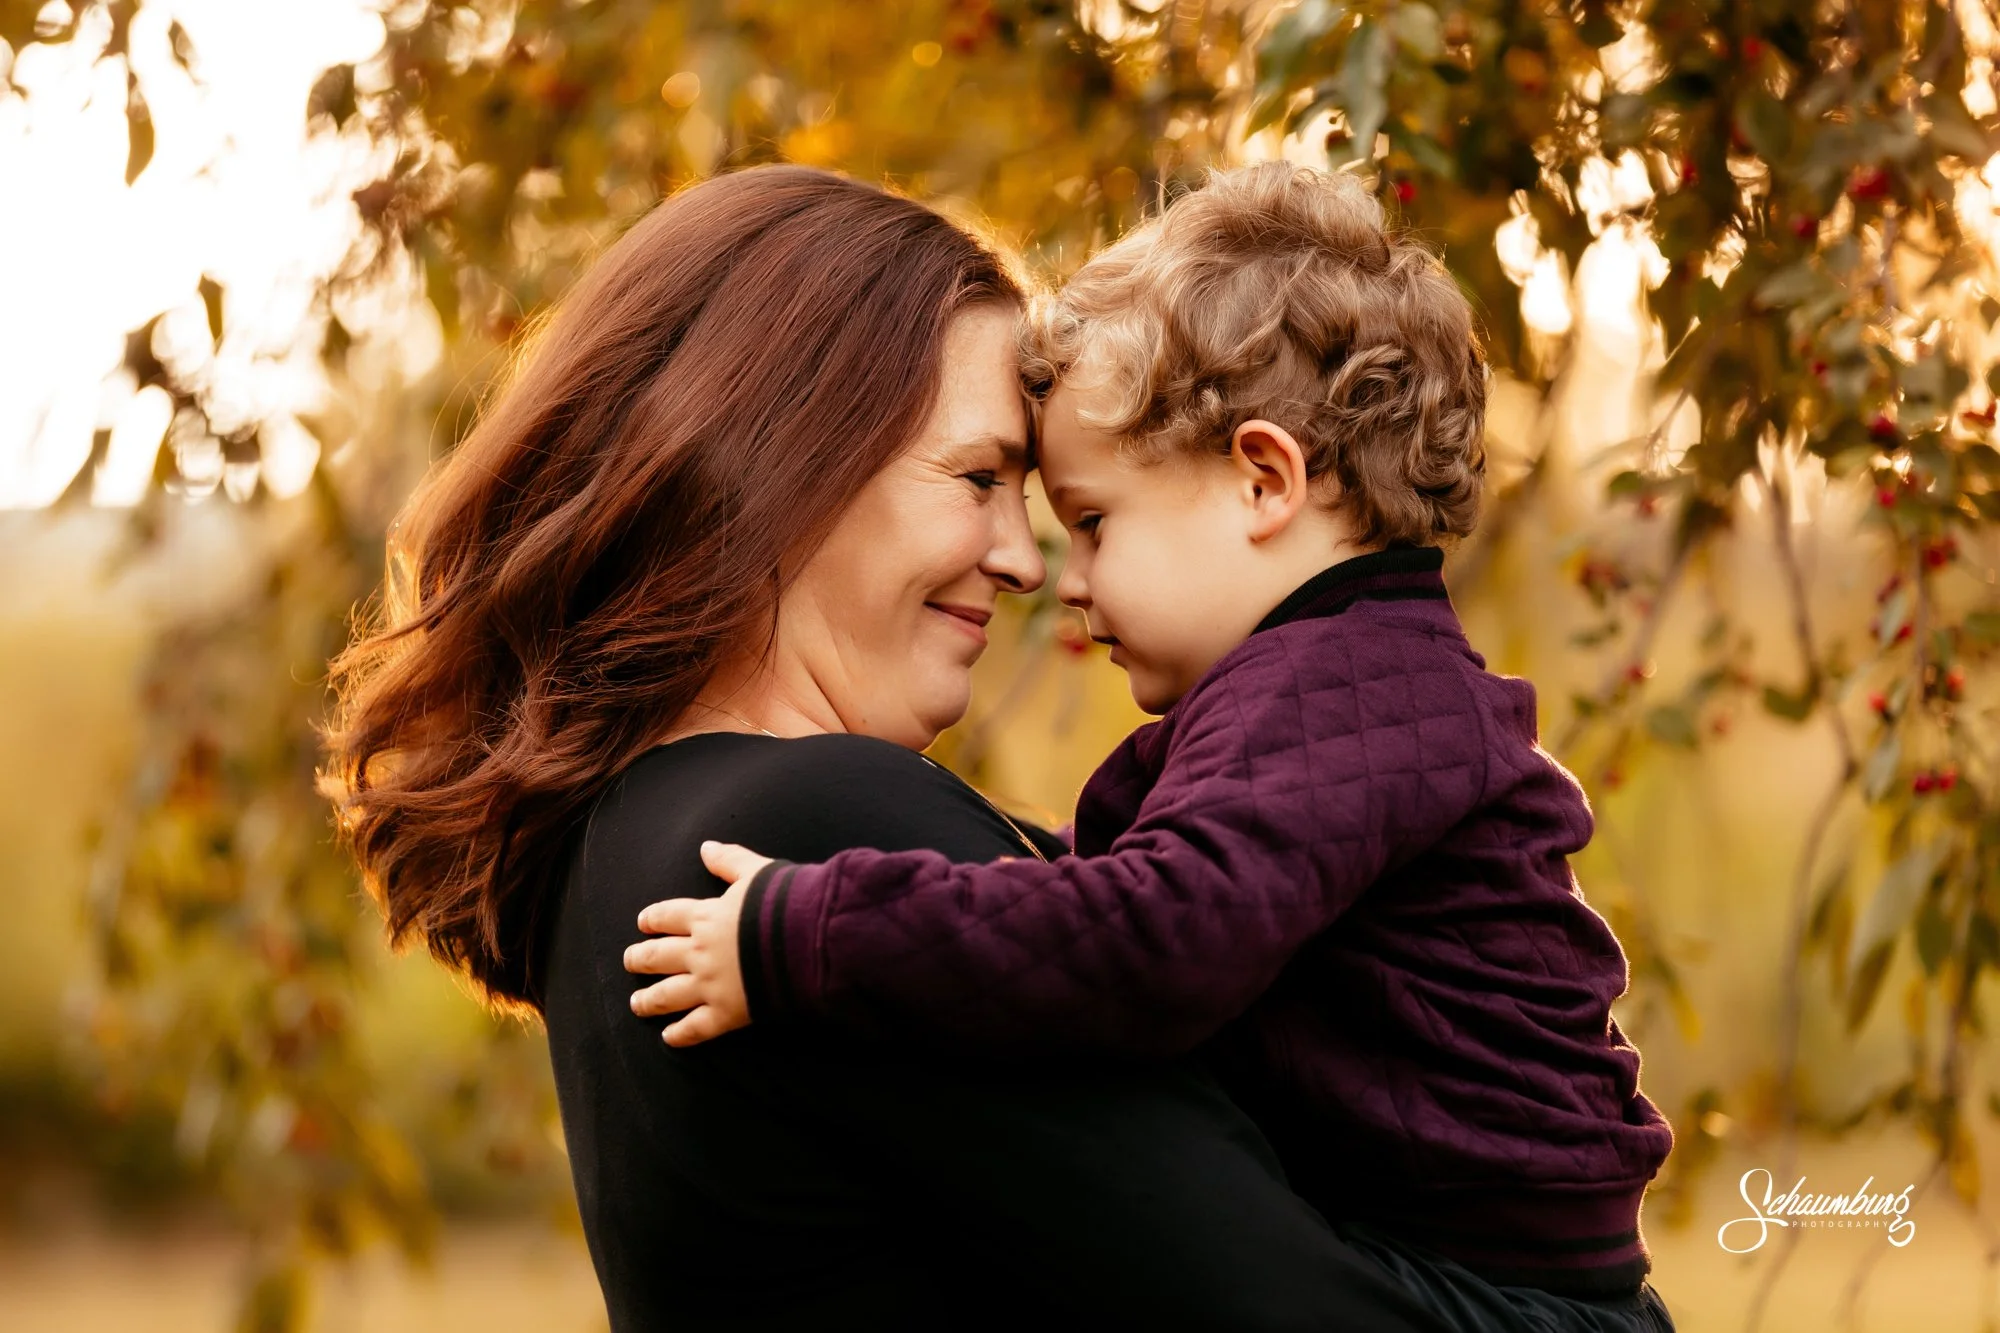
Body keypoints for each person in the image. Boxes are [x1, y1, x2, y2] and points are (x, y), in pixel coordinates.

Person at [321, 163, 1452, 1333]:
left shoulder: (624, 846)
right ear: (778, 461)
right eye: (977, 478)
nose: (1025, 564)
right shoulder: (810, 834)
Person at [625, 163, 1679, 1331]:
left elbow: (1143, 937)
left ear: (1261, 478)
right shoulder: (1328, 689)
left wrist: (809, 935)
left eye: (1089, 523)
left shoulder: (1338, 694)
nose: (1058, 582)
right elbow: (1076, 900)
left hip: (1500, 1292)